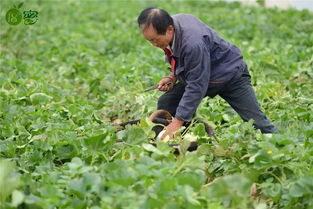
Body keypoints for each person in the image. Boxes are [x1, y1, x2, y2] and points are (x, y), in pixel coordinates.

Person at [137, 7, 277, 139]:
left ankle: (283, 147)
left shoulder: (192, 43)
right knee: (168, 101)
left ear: (169, 29)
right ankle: (180, 140)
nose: (153, 44)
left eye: (155, 40)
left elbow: (197, 85)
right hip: (201, 74)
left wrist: (177, 122)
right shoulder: (170, 26)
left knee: (258, 122)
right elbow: (179, 58)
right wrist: (172, 76)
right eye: (149, 40)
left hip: (230, 76)